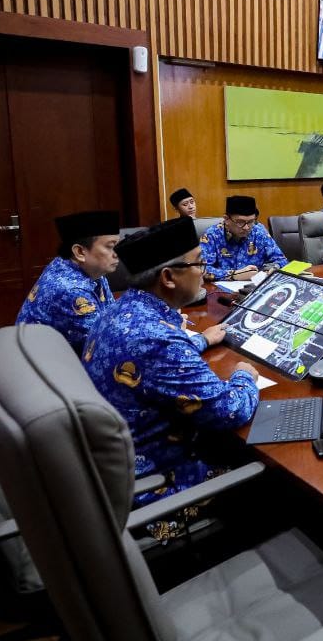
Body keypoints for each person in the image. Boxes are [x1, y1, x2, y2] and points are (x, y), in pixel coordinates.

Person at [83, 217, 260, 504]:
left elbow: (149, 359)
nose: (204, 272)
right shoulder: (159, 340)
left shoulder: (119, 309)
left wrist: (200, 339)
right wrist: (244, 376)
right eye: (199, 263)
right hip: (160, 484)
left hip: (115, 464)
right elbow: (229, 411)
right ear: (168, 277)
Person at [16, 210, 122, 353]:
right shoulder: (72, 290)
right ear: (79, 252)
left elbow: (111, 317)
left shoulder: (85, 268)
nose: (117, 253)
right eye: (110, 246)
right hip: (45, 365)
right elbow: (107, 343)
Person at [198, 195, 286, 281]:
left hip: (254, 288)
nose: (246, 227)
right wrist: (235, 275)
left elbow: (281, 260)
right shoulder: (212, 235)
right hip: (221, 291)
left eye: (251, 221)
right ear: (226, 219)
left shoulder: (259, 231)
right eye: (240, 222)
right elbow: (201, 269)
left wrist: (274, 268)